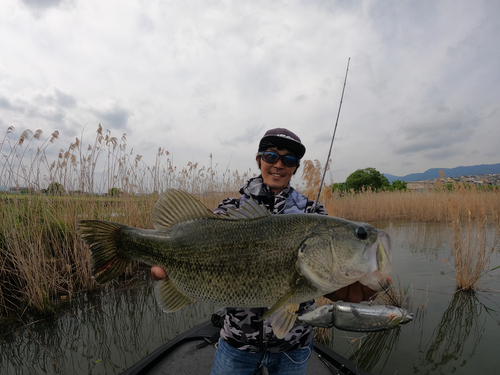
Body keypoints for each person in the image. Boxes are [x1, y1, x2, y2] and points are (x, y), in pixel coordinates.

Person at [151, 128, 378, 375]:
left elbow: (323, 280)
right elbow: (198, 243)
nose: (279, 164)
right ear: (258, 160)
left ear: (295, 168)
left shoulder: (315, 213)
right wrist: (166, 260)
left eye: (289, 160)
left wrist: (341, 285)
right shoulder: (231, 208)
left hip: (294, 346)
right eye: (271, 156)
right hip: (236, 344)